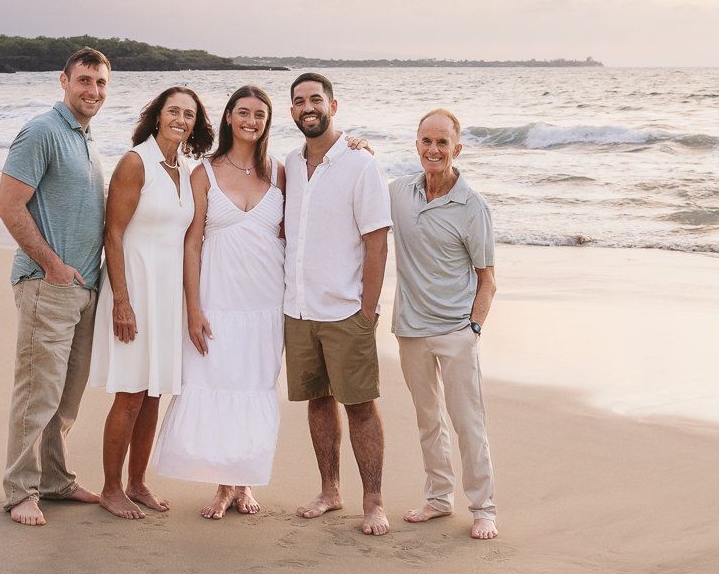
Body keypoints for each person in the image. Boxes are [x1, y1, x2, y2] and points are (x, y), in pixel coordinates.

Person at [154, 85, 285, 519]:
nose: (251, 121)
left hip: (267, 303)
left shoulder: (280, 172)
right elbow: (192, 245)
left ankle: (242, 482)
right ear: (228, 117)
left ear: (267, 122)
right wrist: (193, 308)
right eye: (243, 112)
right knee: (220, 382)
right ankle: (223, 485)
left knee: (254, 388)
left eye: (260, 115)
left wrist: (359, 146)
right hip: (218, 299)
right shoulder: (203, 173)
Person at [0, 47, 112, 527]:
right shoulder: (42, 131)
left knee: (67, 395)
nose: (93, 91)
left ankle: (55, 480)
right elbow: (9, 206)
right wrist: (54, 266)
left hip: (84, 290)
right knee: (37, 392)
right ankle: (20, 489)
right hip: (47, 285)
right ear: (63, 81)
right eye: (84, 80)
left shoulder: (86, 138)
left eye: (101, 83)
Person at [90, 86, 213, 519]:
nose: (181, 119)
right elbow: (114, 235)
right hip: (135, 290)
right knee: (130, 392)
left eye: (189, 114)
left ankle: (137, 483)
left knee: (154, 392)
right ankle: (110, 488)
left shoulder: (189, 169)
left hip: (168, 297)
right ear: (157, 116)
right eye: (173, 111)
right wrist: (122, 302)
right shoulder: (135, 162)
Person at [282, 72, 393, 536]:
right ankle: (330, 490)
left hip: (347, 311)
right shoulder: (288, 163)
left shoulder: (360, 164)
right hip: (299, 310)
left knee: (361, 406)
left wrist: (368, 311)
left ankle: (373, 501)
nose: (308, 107)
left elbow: (377, 240)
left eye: (316, 99)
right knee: (317, 402)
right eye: (300, 101)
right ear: (291, 111)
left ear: (333, 105)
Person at [389, 108, 499, 540]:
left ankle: (483, 507)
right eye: (426, 141)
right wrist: (354, 148)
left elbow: (487, 280)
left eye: (442, 143)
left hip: (455, 332)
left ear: (457, 148)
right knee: (427, 420)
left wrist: (472, 330)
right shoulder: (399, 192)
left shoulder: (472, 207)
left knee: (468, 422)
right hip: (410, 330)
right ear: (416, 145)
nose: (433, 150)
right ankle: (438, 499)